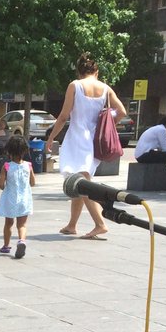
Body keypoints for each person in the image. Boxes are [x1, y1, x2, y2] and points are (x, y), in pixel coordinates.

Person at [45, 53, 127, 240]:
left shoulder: (75, 85)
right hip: (95, 140)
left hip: (77, 138)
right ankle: (72, 224)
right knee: (80, 180)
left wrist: (52, 137)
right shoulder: (105, 88)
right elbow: (121, 111)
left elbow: (64, 116)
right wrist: (107, 123)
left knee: (83, 182)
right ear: (96, 71)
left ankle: (100, 223)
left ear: (79, 71)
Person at [0, 135, 34, 259]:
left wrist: (6, 184)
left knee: (8, 223)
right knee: (22, 225)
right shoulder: (28, 166)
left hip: (10, 199)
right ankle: (21, 240)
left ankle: (6, 246)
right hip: (24, 199)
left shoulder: (6, 166)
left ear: (9, 151)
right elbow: (32, 183)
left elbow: (1, 185)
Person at [134, 115, 166, 188]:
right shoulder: (162, 130)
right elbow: (164, 148)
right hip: (145, 155)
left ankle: (165, 181)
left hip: (142, 155)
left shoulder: (158, 128)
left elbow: (161, 146)